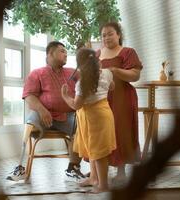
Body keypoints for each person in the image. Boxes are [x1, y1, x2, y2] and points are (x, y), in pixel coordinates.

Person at [6, 41, 85, 182]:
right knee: (30, 124)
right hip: (42, 115)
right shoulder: (37, 73)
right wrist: (42, 110)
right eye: (62, 51)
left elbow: (88, 86)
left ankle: (72, 168)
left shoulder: (74, 72)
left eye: (66, 51)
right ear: (50, 54)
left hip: (68, 116)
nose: (66, 53)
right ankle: (20, 167)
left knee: (81, 125)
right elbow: (29, 96)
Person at [61, 48, 116, 193]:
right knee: (94, 150)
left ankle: (103, 185)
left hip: (93, 118)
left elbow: (76, 105)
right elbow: (112, 87)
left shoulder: (82, 83)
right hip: (104, 114)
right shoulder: (108, 73)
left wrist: (65, 96)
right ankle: (93, 178)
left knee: (99, 154)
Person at [98, 22, 143, 181]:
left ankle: (121, 171)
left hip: (122, 97)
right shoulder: (97, 54)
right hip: (101, 98)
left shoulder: (128, 52)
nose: (106, 37)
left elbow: (135, 75)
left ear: (118, 35)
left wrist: (116, 70)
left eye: (110, 33)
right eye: (103, 35)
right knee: (100, 132)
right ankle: (99, 170)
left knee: (120, 130)